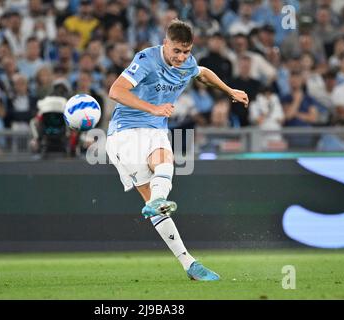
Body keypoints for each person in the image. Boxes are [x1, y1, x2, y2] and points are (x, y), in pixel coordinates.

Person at [106, 19, 248, 281]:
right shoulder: (146, 60)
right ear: (165, 44)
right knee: (154, 194)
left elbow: (202, 72)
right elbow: (116, 91)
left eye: (187, 51)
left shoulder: (188, 63)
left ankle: (189, 264)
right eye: (177, 51)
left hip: (155, 130)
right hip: (124, 133)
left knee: (165, 163)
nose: (182, 57)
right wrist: (153, 109)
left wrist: (229, 90)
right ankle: (183, 254)